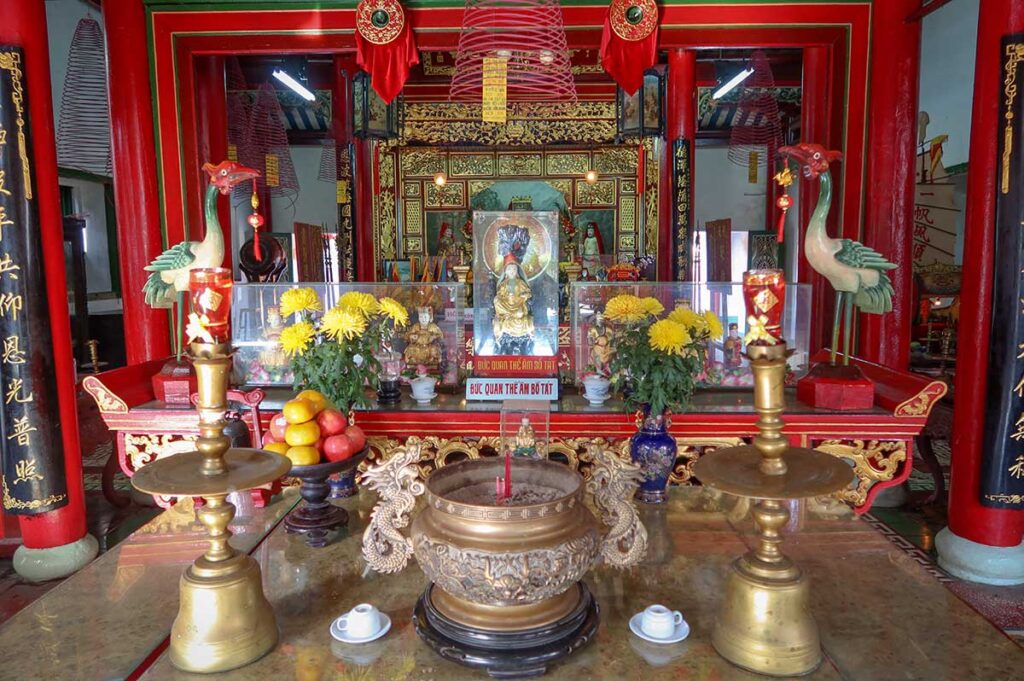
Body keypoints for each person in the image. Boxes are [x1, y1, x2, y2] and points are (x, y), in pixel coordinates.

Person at [492, 254, 535, 354]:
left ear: (517, 272)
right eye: (509, 269)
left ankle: (513, 317)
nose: (512, 271)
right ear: (505, 272)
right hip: (506, 306)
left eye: (514, 269)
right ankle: (507, 316)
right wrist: (504, 297)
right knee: (496, 300)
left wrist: (524, 295)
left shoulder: (520, 282)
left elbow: (528, 293)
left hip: (518, 304)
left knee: (520, 313)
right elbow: (500, 295)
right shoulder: (504, 284)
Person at [403, 306, 444, 372]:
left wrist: (434, 337)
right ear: (419, 318)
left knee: (434, 349)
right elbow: (407, 335)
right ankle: (413, 362)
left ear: (429, 317)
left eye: (425, 317)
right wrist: (412, 336)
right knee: (410, 348)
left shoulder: (433, 326)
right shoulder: (416, 326)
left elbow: (440, 335)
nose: (423, 319)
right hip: (417, 346)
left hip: (429, 346)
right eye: (421, 317)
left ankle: (432, 361)